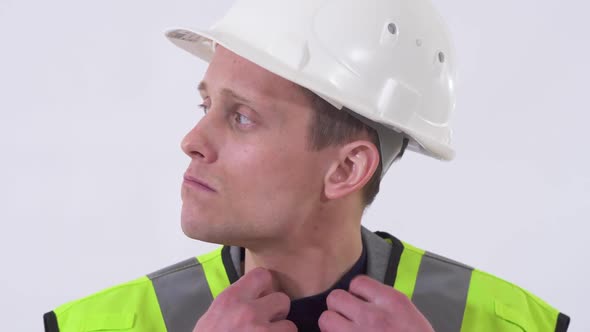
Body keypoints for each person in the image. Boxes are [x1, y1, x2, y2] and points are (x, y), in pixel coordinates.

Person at [43, 0, 570, 331]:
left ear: (345, 170)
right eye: (206, 106)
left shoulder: (511, 323)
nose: (192, 141)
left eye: (242, 117)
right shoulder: (102, 324)